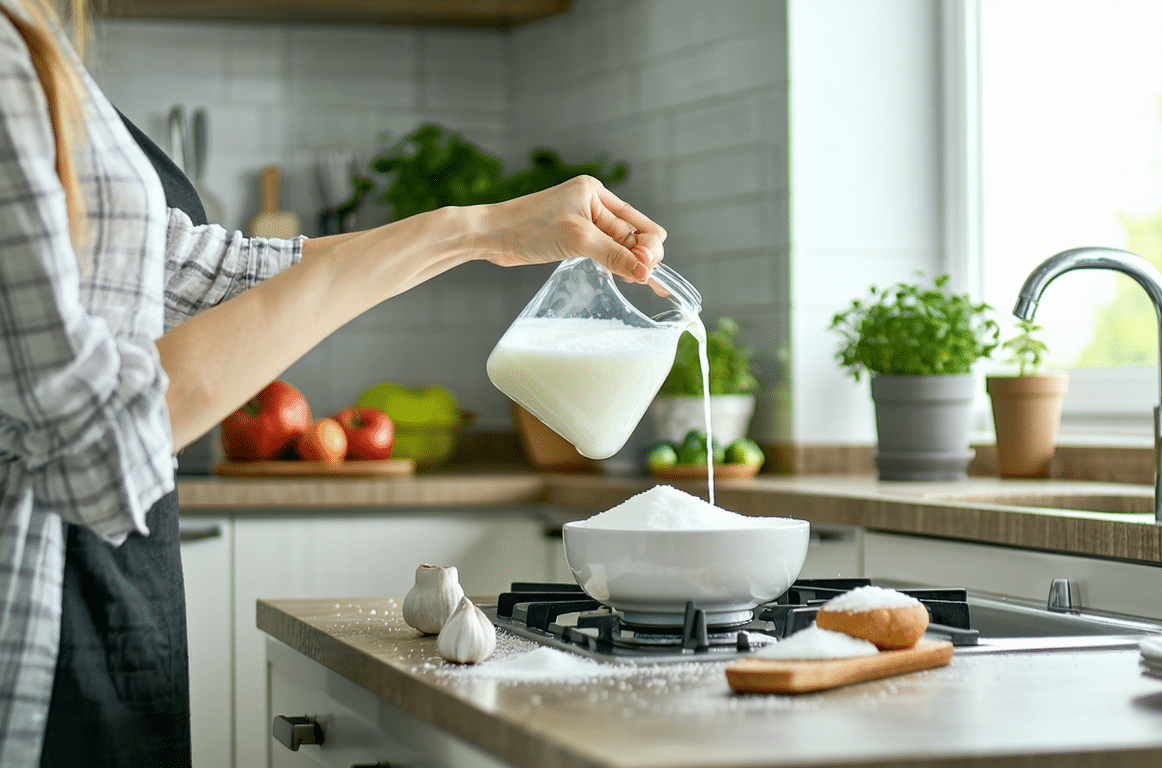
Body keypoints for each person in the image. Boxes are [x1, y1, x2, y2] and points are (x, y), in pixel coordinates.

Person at [0, 0, 667, 765]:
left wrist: (492, 229)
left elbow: (221, 273)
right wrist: (467, 231)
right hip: (37, 622)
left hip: (112, 599)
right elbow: (96, 433)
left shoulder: (34, 38)